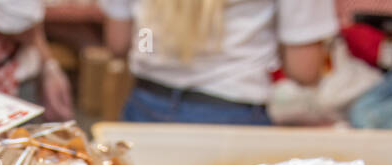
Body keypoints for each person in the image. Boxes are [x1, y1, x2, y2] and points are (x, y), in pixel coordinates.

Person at [101, 0, 337, 125]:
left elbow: (119, 42)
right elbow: (303, 69)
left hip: (145, 106)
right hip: (233, 115)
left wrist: (153, 46)